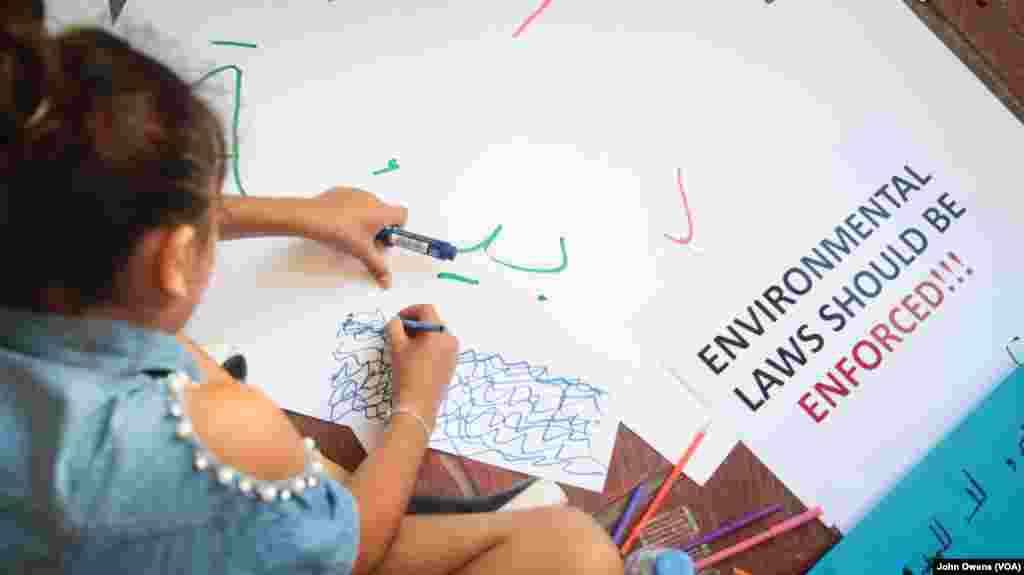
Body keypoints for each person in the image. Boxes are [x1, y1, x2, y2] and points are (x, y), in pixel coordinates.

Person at [0, 2, 624, 574]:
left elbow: (92, 209)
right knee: (577, 550)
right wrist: (416, 405)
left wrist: (300, 212)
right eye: (205, 223)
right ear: (175, 256)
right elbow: (353, 547)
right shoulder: (224, 432)